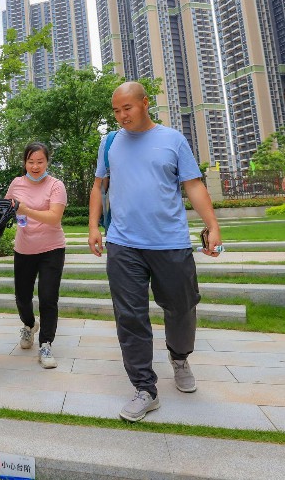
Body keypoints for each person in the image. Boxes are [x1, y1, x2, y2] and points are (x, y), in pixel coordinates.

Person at [87, 81, 223, 423]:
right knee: (130, 316)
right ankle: (145, 388)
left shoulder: (173, 139)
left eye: (127, 109)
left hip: (170, 242)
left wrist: (213, 225)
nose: (121, 117)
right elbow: (98, 185)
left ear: (145, 103)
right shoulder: (109, 143)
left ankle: (179, 357)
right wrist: (93, 227)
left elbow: (192, 184)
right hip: (123, 242)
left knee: (181, 306)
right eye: (116, 111)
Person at [5, 142, 67, 369]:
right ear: (24, 163)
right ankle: (30, 325)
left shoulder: (56, 185)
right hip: (24, 249)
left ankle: (46, 344)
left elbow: (54, 218)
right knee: (22, 297)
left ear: (47, 162)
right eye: (31, 162)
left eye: (40, 161)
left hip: (52, 249)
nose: (35, 166)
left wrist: (26, 211)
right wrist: (2, 209)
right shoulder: (17, 183)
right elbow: (9, 208)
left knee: (48, 298)